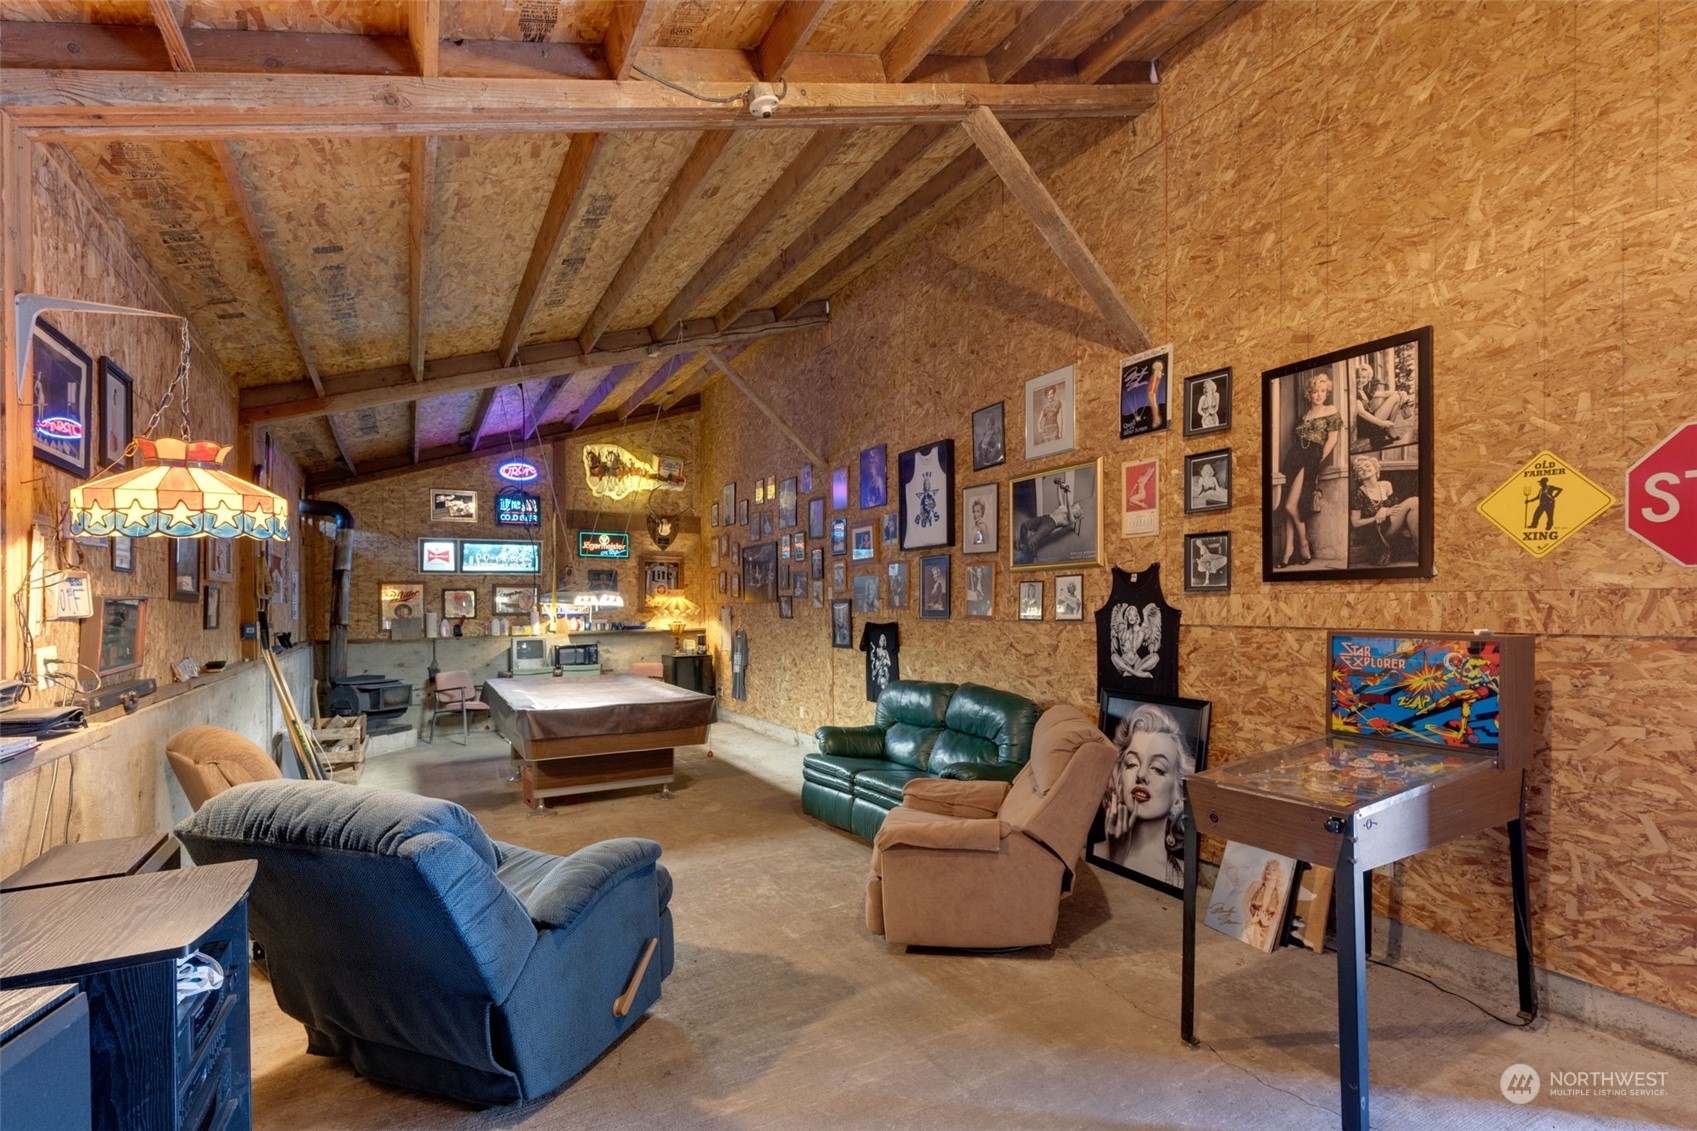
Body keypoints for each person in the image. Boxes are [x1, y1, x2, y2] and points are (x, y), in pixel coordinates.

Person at [1094, 703, 1194, 886]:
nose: (1141, 775)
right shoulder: (1091, 857)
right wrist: (1116, 858)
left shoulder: (1183, 879)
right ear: (1119, 778)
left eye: (1157, 769)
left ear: (1178, 793)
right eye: (1132, 764)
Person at [1277, 370, 1342, 568]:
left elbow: (1332, 439)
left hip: (1312, 456)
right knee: (1288, 504)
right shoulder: (1304, 416)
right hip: (1294, 457)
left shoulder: (1330, 410)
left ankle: (1304, 544)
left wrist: (1317, 459)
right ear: (1309, 394)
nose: (1319, 394)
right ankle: (1288, 552)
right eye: (1315, 391)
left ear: (1327, 392)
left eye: (1323, 390)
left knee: (1291, 506)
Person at [1349, 454, 1420, 565]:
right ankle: (1420, 552)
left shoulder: (1386, 485)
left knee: (1413, 509)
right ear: (1357, 475)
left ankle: (1419, 551)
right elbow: (1355, 523)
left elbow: (1393, 505)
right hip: (1374, 531)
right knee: (1414, 501)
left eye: (1367, 465)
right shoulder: (1358, 494)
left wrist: (1384, 509)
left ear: (1375, 467)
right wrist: (1376, 517)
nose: (1364, 469)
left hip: (1389, 523)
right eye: (1360, 469)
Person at [1016, 477, 1079, 558]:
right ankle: (1022, 545)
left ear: (1076, 514)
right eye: (1075, 506)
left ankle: (1032, 558)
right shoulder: (1063, 508)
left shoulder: (1071, 519)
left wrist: (1067, 492)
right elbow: (1059, 497)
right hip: (1045, 517)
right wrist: (1058, 484)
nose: (1074, 506)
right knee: (1024, 525)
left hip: (1050, 524)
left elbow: (1069, 507)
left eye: (1076, 508)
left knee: (1031, 542)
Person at [1350, 362, 1406, 452]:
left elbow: (1384, 394)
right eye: (1358, 377)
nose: (1360, 380)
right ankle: (1388, 427)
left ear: (1368, 379)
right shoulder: (1355, 393)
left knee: (1397, 396)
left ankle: (1389, 427)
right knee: (1395, 397)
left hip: (1371, 421)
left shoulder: (1364, 391)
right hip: (1366, 426)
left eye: (1363, 377)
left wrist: (1401, 392)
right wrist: (1382, 423)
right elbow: (1361, 413)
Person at [1242, 858, 1286, 950]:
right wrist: (1251, 918)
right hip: (1250, 927)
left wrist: (1266, 922)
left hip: (1265, 931)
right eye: (1267, 868)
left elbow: (1278, 915)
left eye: (1274, 869)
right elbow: (1244, 903)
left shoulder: (1280, 895)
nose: (1269, 871)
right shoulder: (1256, 885)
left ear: (1279, 874)